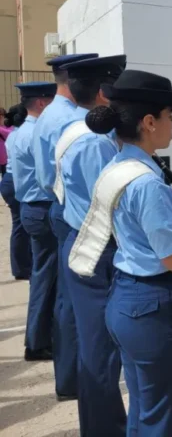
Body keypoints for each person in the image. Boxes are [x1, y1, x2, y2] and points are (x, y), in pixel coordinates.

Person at [83, 70, 172, 435]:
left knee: (144, 413)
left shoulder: (117, 168)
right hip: (153, 308)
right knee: (161, 419)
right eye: (170, 118)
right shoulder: (148, 183)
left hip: (127, 297)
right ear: (149, 122)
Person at [56, 56, 128, 435]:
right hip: (98, 249)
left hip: (79, 239)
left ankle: (99, 425)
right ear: (102, 93)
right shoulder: (96, 143)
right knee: (101, 351)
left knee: (93, 347)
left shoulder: (71, 130)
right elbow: (114, 205)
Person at [31, 52, 99, 400]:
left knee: (65, 295)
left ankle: (70, 376)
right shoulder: (72, 119)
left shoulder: (48, 115)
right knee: (76, 299)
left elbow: (45, 178)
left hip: (56, 206)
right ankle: (78, 378)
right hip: (73, 211)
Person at [10, 82, 56, 363]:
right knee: (46, 278)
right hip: (42, 207)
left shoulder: (18, 132)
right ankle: (38, 342)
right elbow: (47, 178)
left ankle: (39, 338)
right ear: (41, 103)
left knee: (43, 276)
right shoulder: (36, 133)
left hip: (31, 207)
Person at [1, 104, 31, 280]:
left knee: (19, 225)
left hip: (9, 180)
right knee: (20, 225)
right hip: (15, 180)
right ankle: (21, 267)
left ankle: (21, 266)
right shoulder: (22, 133)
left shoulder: (13, 133)